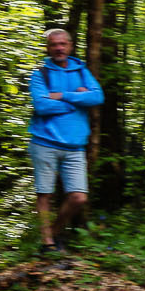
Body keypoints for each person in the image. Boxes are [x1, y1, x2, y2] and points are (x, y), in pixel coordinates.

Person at [28, 27, 103, 253]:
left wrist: (62, 96)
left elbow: (97, 97)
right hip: (44, 142)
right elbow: (41, 106)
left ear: (70, 46)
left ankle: (53, 232)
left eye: (63, 44)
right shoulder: (40, 74)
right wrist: (79, 100)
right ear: (48, 48)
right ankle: (48, 244)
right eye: (54, 45)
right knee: (45, 194)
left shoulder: (81, 71)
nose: (59, 48)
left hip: (75, 145)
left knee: (78, 197)